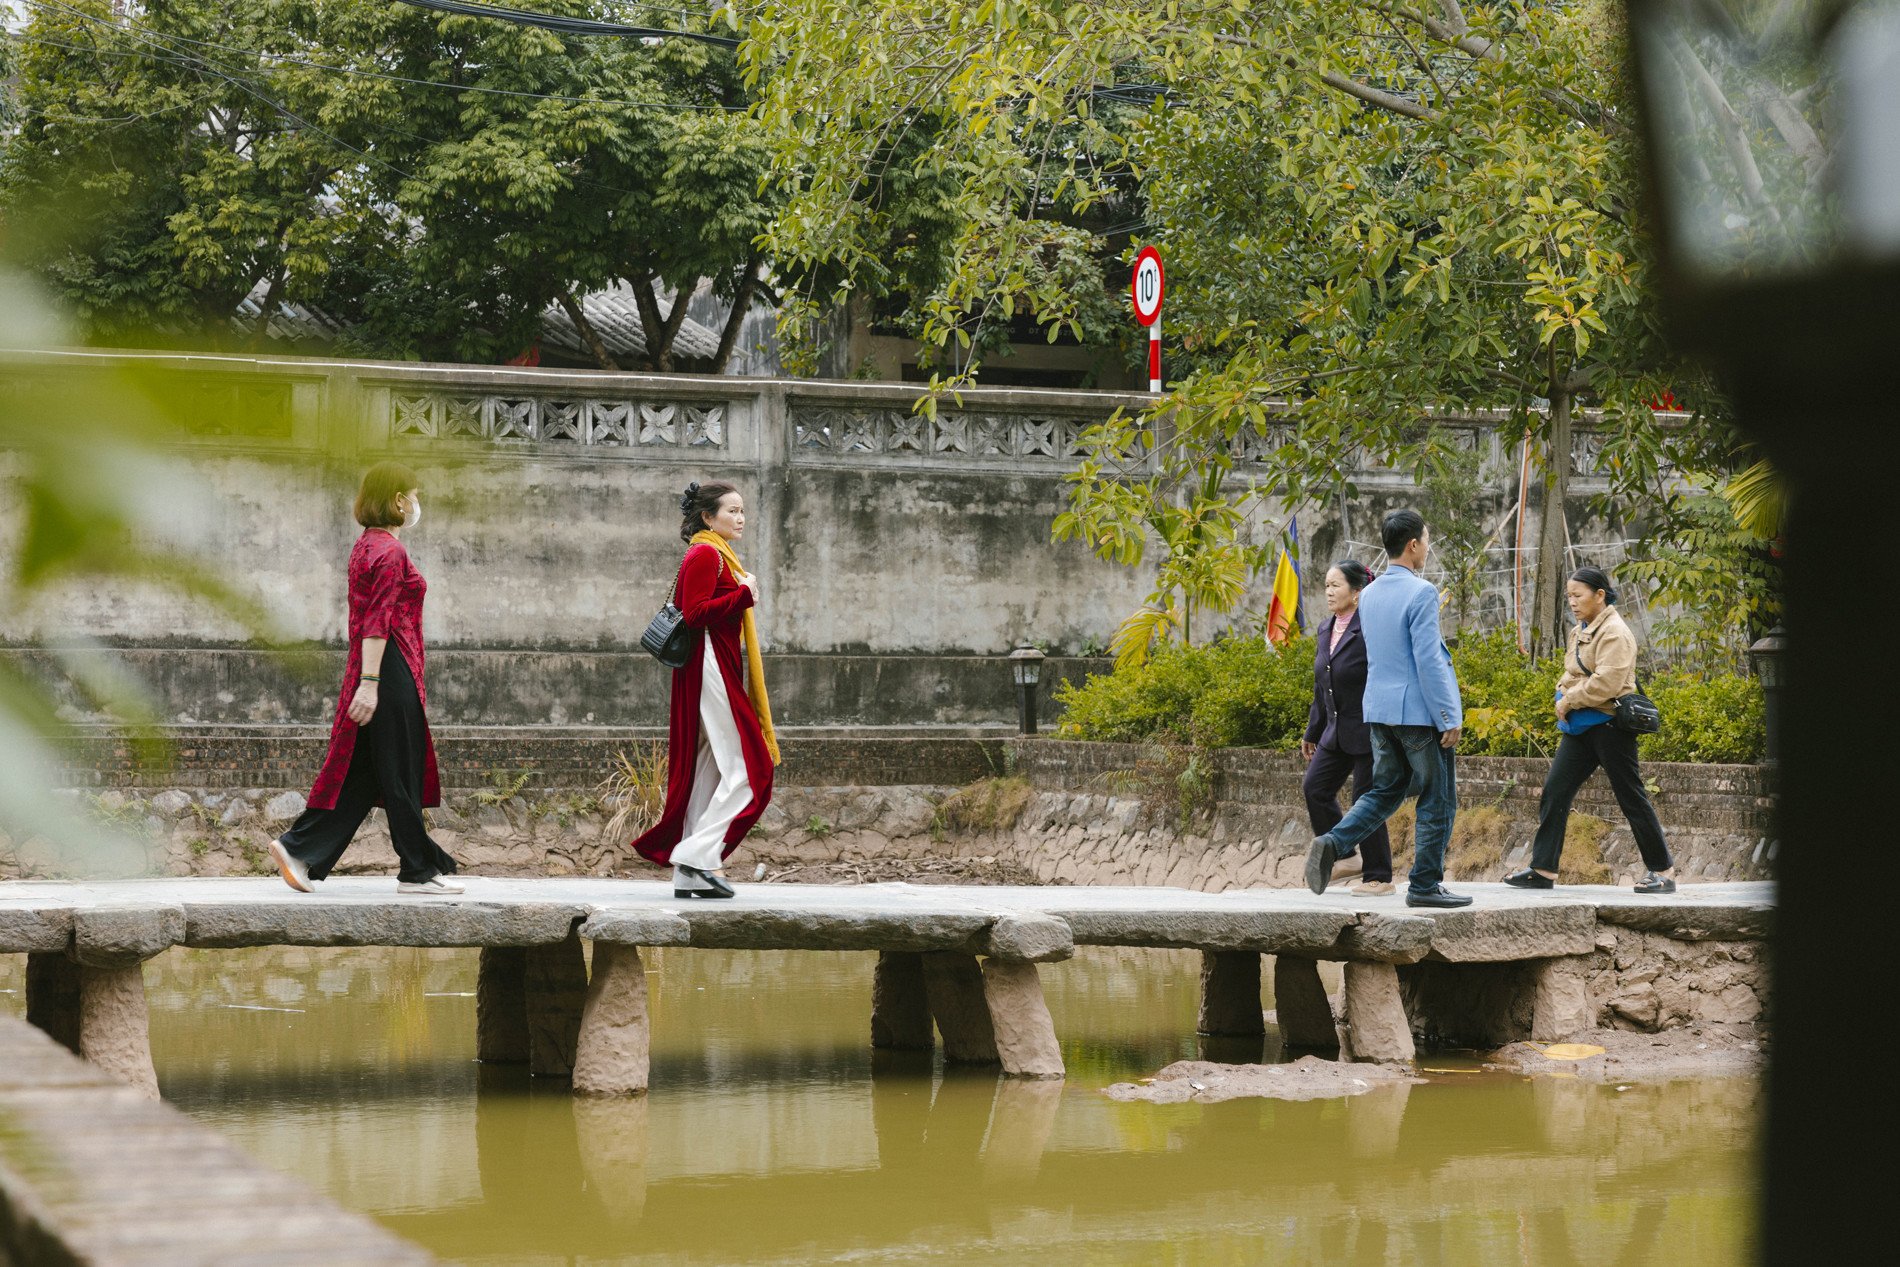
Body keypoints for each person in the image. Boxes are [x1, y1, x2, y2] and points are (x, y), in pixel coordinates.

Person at [268, 462, 462, 895]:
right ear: (397, 500)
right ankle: (415, 871)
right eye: (413, 494)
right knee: (400, 769)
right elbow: (378, 620)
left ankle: (299, 848)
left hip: (378, 666)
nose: (416, 503)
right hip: (390, 667)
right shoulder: (391, 553)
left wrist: (365, 676)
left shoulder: (365, 547)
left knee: (368, 772)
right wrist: (371, 683)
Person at [1303, 509, 1471, 908]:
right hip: (1416, 714)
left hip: (1377, 713)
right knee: (1438, 798)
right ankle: (1425, 885)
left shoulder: (1371, 593)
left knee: (1385, 790)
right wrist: (1448, 715)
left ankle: (1333, 841)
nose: (1427, 548)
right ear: (1413, 546)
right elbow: (1428, 658)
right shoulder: (1421, 591)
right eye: (1427, 541)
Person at [633, 481, 779, 898]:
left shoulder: (716, 553)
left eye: (742, 511)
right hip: (710, 665)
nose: (740, 518)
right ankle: (696, 855)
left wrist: (739, 591)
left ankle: (687, 876)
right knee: (752, 768)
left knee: (709, 767)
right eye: (731, 511)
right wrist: (744, 595)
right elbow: (696, 615)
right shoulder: (706, 553)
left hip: (715, 665)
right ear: (707, 517)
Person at [1506, 567, 1678, 894]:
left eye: (1578, 595)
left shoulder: (1615, 633)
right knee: (1556, 790)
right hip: (1582, 725)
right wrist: (1562, 690)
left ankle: (1663, 871)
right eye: (1569, 596)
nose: (1572, 602)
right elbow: (1572, 671)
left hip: (1611, 725)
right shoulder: (1580, 630)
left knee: (1631, 797)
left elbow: (1607, 683)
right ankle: (1543, 870)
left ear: (1600, 595)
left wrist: (1569, 699)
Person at [1300, 560, 1396, 896]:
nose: (1328, 591)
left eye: (1335, 585)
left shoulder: (1369, 628)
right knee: (1315, 787)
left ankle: (1379, 876)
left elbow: (1383, 674)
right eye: (1326, 585)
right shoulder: (1326, 628)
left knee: (1365, 801)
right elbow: (1321, 686)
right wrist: (1313, 731)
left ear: (1357, 592)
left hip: (1370, 729)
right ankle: (1345, 855)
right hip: (1336, 731)